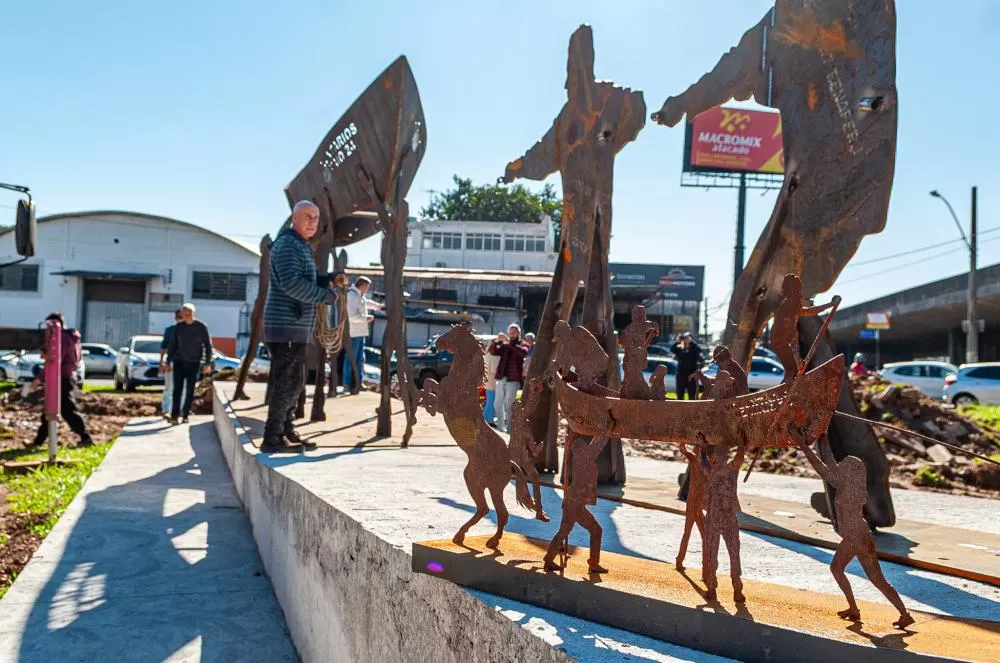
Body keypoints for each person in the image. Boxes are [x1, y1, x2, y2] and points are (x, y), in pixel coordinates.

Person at [790, 417, 914, 629]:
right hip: (857, 535)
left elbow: (821, 466)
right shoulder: (851, 484)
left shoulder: (845, 486)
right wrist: (823, 436)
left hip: (856, 536)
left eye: (844, 465)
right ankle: (862, 609)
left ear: (849, 473)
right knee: (851, 573)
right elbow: (829, 461)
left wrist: (803, 445)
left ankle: (898, 613)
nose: (840, 465)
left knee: (866, 577)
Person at [262, 200, 337, 453]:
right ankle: (272, 437)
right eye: (307, 216)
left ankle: (286, 431)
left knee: (294, 382)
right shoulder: (287, 246)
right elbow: (292, 284)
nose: (313, 222)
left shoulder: (300, 246)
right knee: (287, 382)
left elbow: (309, 279)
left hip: (295, 326)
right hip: (285, 326)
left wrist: (329, 280)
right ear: (294, 218)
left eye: (316, 218)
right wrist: (324, 296)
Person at [30, 312, 94, 447]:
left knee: (67, 410)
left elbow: (54, 362)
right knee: (49, 410)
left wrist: (38, 379)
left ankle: (85, 437)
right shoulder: (72, 337)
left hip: (62, 379)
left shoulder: (62, 339)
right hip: (66, 377)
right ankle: (38, 442)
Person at [164, 303, 213, 424]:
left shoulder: (201, 327)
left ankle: (185, 414)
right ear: (182, 315)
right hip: (179, 361)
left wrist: (207, 362)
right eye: (184, 314)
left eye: (189, 314)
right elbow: (172, 346)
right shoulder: (178, 327)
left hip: (194, 362)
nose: (187, 316)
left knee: (190, 390)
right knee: (177, 390)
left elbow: (207, 345)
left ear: (193, 314)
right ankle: (174, 415)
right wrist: (168, 361)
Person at [488, 323, 530, 433]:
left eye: (514, 333)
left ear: (518, 333)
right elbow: (493, 351)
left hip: (513, 379)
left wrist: (508, 342)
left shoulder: (523, 344)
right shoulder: (505, 344)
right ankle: (501, 429)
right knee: (497, 404)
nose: (511, 335)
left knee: (509, 405)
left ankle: (510, 431)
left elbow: (522, 353)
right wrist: (496, 341)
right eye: (510, 333)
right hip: (501, 377)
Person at [343, 276, 375, 395]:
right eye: (367, 287)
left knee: (360, 359)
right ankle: (347, 384)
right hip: (353, 333)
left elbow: (367, 303)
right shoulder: (351, 296)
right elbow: (352, 317)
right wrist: (366, 319)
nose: (367, 289)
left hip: (360, 333)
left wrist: (380, 306)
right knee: (350, 359)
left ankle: (358, 382)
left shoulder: (359, 296)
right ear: (362, 285)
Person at [158, 309, 184, 418]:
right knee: (169, 386)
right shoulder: (170, 330)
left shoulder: (190, 330)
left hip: (185, 362)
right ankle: (165, 409)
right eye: (179, 317)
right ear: (175, 318)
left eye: (182, 317)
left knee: (184, 387)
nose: (180, 319)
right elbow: (163, 347)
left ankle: (181, 410)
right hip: (171, 362)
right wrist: (161, 362)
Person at [670, 332, 702, 400]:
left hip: (692, 373)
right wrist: (677, 341)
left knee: (692, 394)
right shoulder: (680, 349)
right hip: (681, 373)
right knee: (680, 393)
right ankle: (680, 409)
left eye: (688, 338)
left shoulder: (693, 349)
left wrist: (691, 341)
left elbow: (699, 350)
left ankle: (691, 409)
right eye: (685, 339)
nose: (686, 340)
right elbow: (672, 349)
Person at [483, 346, 500, 427]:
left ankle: (486, 418)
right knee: (491, 401)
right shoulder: (495, 357)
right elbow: (494, 370)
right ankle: (489, 420)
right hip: (492, 382)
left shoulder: (487, 355)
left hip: (487, 381)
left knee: (489, 400)